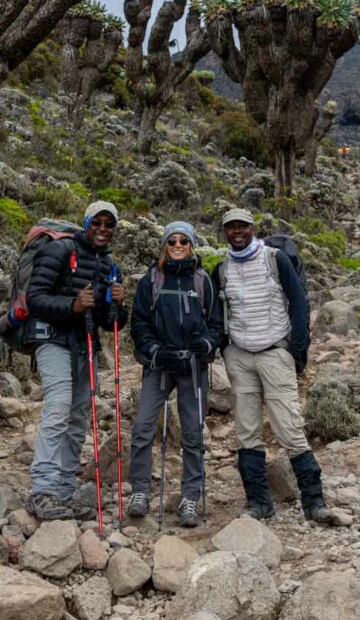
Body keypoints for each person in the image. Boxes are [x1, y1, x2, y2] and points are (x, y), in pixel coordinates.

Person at [212, 207, 342, 526]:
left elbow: (298, 303)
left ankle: (314, 502)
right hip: (240, 356)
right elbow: (217, 313)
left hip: (274, 351)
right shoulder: (222, 268)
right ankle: (258, 502)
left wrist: (296, 352)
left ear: (253, 228)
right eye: (231, 227)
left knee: (289, 428)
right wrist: (223, 348)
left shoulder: (274, 259)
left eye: (243, 226)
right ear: (224, 232)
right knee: (246, 431)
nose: (237, 231)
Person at [23, 200, 128, 521]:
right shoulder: (60, 251)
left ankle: (65, 490)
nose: (102, 229)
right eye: (97, 222)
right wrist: (73, 306)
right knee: (58, 407)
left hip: (85, 344)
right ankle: (42, 490)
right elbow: (35, 298)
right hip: (52, 339)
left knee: (80, 415)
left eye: (109, 225)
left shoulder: (109, 265)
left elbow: (112, 322)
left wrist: (119, 305)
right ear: (86, 223)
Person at [125, 220, 223, 527]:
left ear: (192, 244)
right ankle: (140, 491)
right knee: (142, 427)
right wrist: (154, 351)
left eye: (183, 241)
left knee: (192, 433)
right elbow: (139, 324)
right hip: (159, 366)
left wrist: (205, 344)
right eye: (172, 241)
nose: (178, 246)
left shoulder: (202, 281)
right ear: (164, 246)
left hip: (193, 367)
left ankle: (190, 497)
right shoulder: (151, 281)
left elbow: (217, 326)